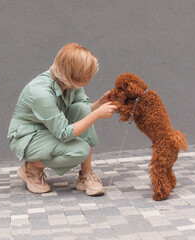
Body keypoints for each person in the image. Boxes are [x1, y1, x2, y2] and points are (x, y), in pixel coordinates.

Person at [7, 43, 117, 196]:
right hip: (29, 137)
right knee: (80, 150)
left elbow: (84, 111)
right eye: (86, 74)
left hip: (52, 129)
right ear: (73, 73)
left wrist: (101, 103)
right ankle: (31, 169)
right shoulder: (40, 93)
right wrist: (98, 114)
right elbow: (64, 133)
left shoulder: (71, 82)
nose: (89, 77)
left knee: (82, 108)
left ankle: (86, 175)